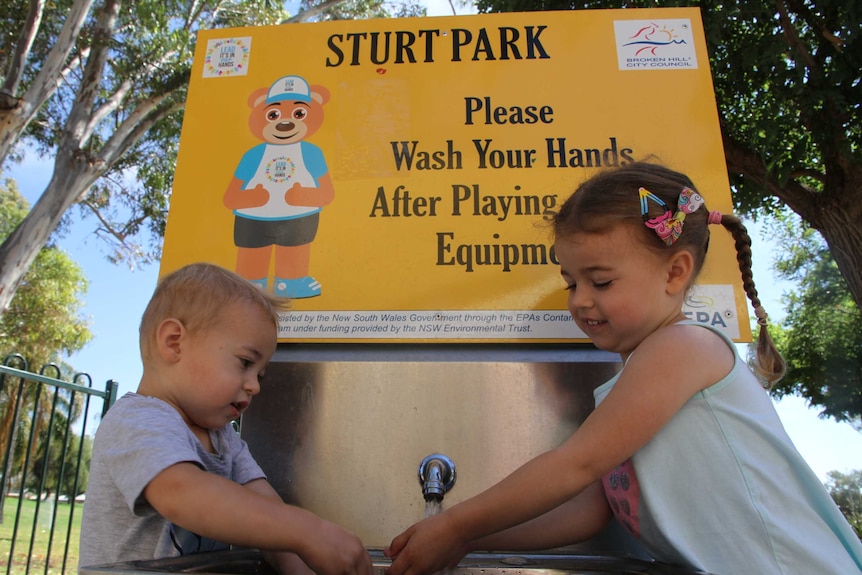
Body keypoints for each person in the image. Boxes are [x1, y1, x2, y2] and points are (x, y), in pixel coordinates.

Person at [385, 162, 862, 575]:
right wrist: (473, 540)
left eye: (601, 281)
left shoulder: (684, 347)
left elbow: (577, 464)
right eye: (571, 282)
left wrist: (454, 522)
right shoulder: (638, 376)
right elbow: (591, 509)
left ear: (675, 272)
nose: (580, 300)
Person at [79, 262, 373, 575]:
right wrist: (308, 530)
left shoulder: (224, 438)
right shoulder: (137, 420)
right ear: (173, 342)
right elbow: (182, 494)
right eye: (245, 363)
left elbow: (270, 520)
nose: (255, 385)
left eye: (259, 373)